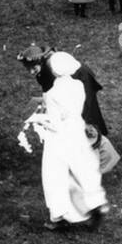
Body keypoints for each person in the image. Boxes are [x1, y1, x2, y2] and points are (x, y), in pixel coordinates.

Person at [38, 52, 109, 231]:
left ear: (54, 72)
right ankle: (95, 204)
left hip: (59, 136)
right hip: (77, 129)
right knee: (82, 169)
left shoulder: (53, 93)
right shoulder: (78, 86)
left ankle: (58, 215)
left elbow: (54, 122)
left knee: (55, 174)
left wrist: (40, 120)